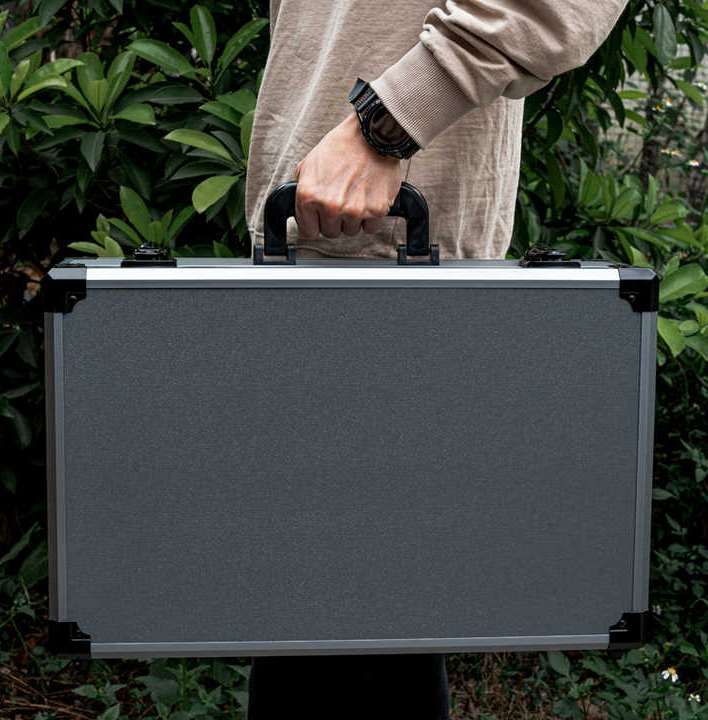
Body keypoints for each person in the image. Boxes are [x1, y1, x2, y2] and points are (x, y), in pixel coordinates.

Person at [245, 0, 629, 717]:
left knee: (367, 632)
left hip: (393, 270)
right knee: (307, 627)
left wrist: (387, 124)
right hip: (300, 257)